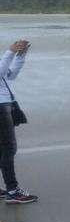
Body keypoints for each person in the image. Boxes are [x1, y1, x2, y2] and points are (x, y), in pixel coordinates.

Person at [0, 40, 38, 204]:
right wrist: (10, 52)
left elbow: (10, 74)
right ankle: (13, 190)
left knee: (3, 149)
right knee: (9, 148)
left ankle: (11, 189)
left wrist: (20, 56)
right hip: (0, 107)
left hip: (5, 104)